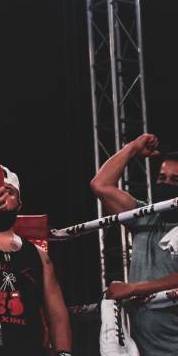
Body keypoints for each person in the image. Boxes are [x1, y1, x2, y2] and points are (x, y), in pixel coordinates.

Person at [90, 134, 178, 356]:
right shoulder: (145, 218)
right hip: (146, 349)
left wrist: (134, 288)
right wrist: (132, 148)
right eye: (162, 178)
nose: (166, 184)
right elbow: (100, 184)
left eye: (175, 180)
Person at [0, 166, 73, 356]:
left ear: (19, 205)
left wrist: (64, 354)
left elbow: (57, 316)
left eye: (8, 191)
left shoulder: (39, 255)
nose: (0, 195)